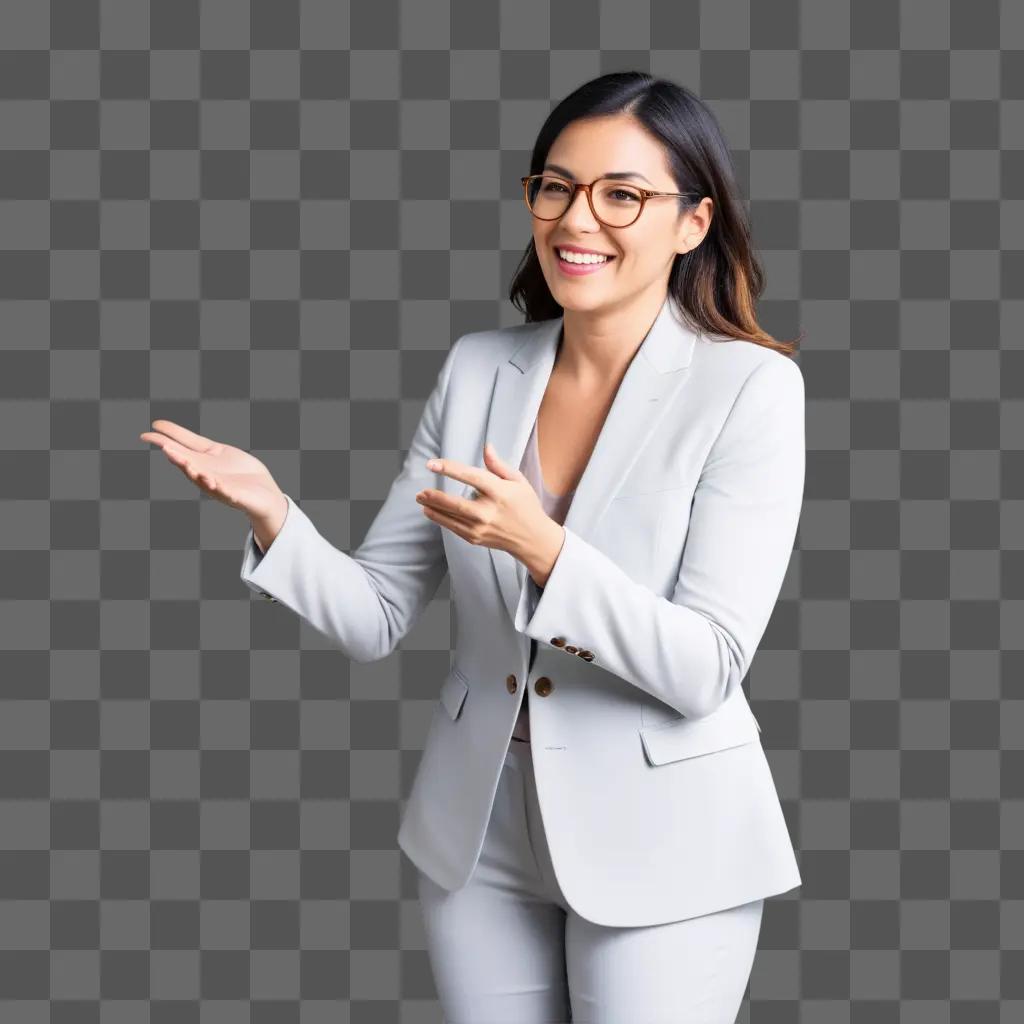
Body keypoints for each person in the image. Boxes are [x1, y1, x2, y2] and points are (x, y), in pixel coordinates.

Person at [141, 70, 806, 1024]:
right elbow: (375, 615)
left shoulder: (748, 389)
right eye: (557, 185)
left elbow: (707, 668)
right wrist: (273, 514)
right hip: (478, 832)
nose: (579, 219)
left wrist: (546, 552)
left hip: (668, 839)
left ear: (693, 222)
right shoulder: (479, 367)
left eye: (622, 194)